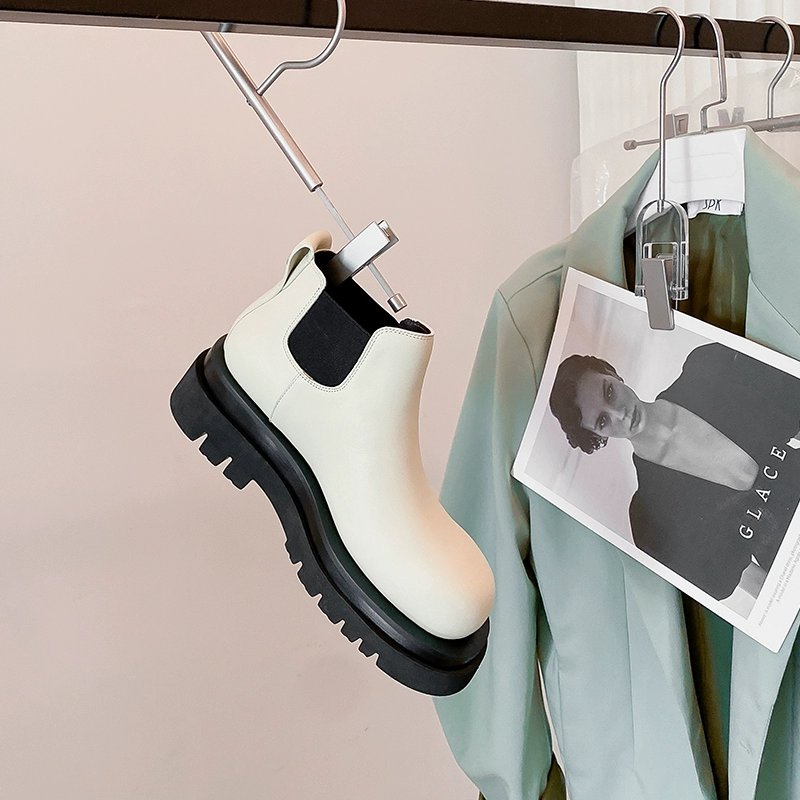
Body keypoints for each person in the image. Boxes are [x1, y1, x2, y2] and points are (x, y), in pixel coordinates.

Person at [549, 342, 800, 602]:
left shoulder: (707, 366)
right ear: (597, 435)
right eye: (603, 421)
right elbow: (759, 584)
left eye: (609, 392)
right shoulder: (649, 522)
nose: (620, 414)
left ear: (611, 373)